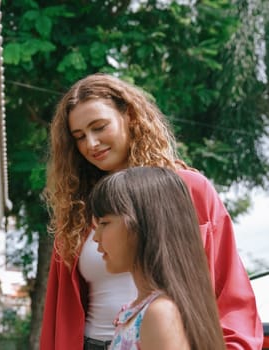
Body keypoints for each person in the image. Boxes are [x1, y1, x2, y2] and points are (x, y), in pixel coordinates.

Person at [40, 73, 262, 350]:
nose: (91, 143)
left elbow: (231, 291)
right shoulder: (77, 208)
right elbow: (58, 311)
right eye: (79, 137)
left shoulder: (189, 189)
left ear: (130, 116)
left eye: (99, 127)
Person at [88, 166, 225, 350]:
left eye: (104, 223)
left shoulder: (160, 314)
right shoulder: (142, 310)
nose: (96, 236)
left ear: (144, 227)